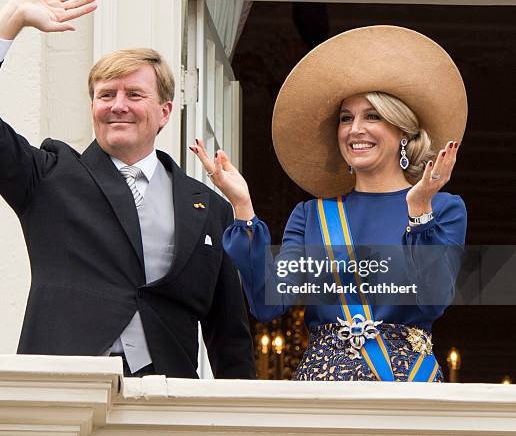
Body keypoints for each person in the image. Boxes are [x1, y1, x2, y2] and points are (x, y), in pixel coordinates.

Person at [0, 0, 255, 379]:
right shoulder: (49, 176)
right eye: (106, 95)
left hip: (167, 398)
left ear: (165, 111)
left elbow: (229, 337)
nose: (118, 106)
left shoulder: (208, 207)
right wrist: (13, 16)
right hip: (62, 390)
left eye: (134, 94)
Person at [191, 25, 467, 382]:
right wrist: (243, 208)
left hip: (408, 391)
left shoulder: (442, 209)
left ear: (403, 131)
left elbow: (432, 300)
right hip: (324, 389)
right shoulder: (312, 215)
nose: (355, 130)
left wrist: (419, 211)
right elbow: (268, 304)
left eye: (372, 116)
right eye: (346, 118)